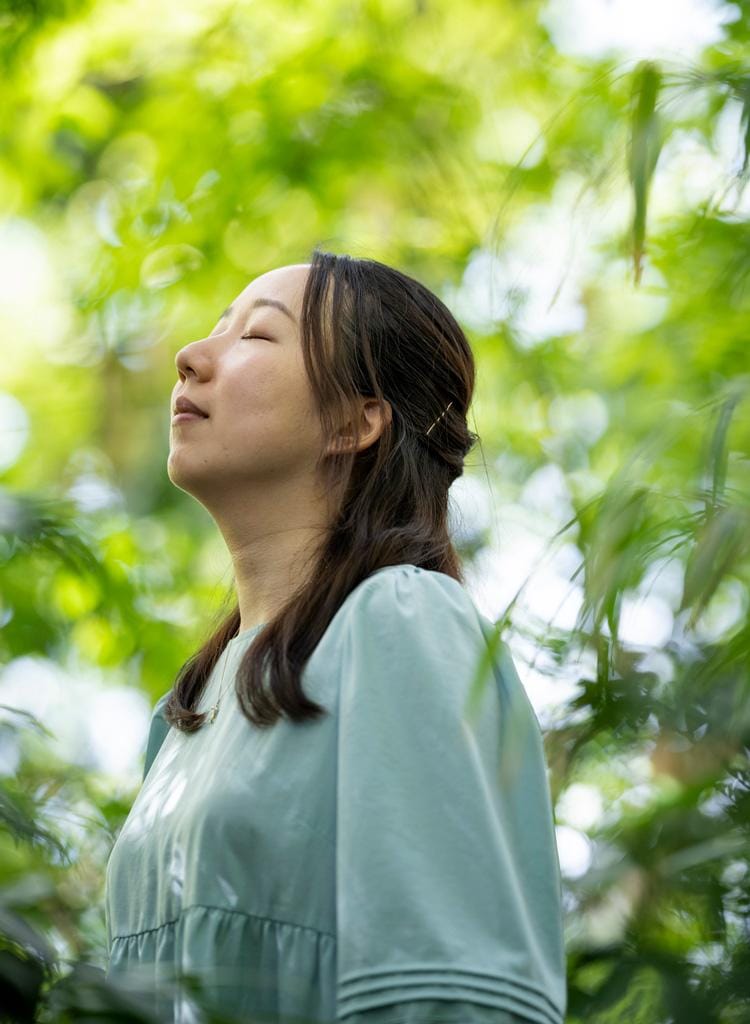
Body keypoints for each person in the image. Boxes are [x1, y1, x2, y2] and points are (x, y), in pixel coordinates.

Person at [103, 249, 568, 1024]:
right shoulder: (184, 712)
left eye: (255, 337)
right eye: (218, 328)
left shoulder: (400, 622)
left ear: (356, 421)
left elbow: (450, 997)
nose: (190, 357)